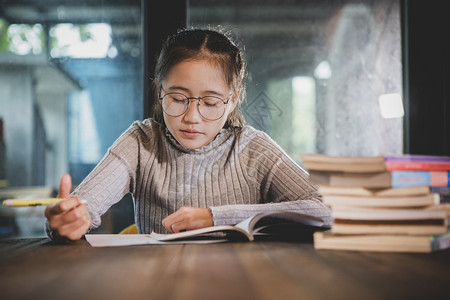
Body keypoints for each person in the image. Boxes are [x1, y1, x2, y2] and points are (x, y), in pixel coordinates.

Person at [45, 28, 332, 241]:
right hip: (160, 282)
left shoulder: (253, 149)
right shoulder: (140, 143)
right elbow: (82, 209)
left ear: (232, 101)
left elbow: (327, 210)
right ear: (160, 91)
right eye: (178, 98)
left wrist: (215, 217)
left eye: (210, 102)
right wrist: (66, 220)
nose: (192, 117)